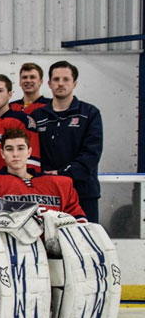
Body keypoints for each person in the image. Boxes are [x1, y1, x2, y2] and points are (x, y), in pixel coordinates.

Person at [31, 61, 102, 222]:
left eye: (65, 79)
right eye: (56, 79)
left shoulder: (89, 113)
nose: (60, 84)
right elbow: (33, 153)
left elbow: (91, 154)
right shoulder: (38, 116)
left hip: (83, 192)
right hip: (49, 193)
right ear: (49, 83)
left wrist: (61, 174)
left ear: (74, 83)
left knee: (86, 242)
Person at [0, 128, 87, 221]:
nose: (15, 154)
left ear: (29, 152)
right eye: (9, 149)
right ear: (2, 153)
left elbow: (79, 220)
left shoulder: (59, 184)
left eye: (21, 148)